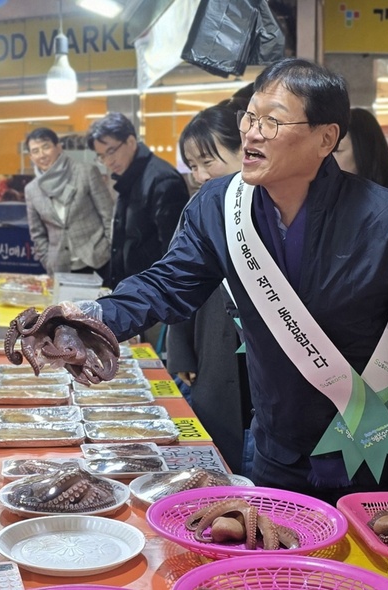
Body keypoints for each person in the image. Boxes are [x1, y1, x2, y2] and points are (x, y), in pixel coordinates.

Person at [92, 58, 388, 503]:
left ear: (326, 138)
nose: (252, 132)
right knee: (278, 563)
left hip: (371, 444)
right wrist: (96, 317)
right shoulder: (219, 205)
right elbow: (168, 283)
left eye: (273, 120)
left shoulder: (386, 220)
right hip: (276, 447)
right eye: (249, 116)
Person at [166, 102, 252, 474]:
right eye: (193, 166)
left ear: (242, 150)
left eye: (207, 162)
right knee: (221, 444)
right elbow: (174, 282)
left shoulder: (273, 205)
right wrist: (182, 352)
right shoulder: (198, 208)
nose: (200, 175)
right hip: (213, 345)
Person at [86, 113, 191, 289]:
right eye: (101, 156)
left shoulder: (162, 179)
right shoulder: (128, 177)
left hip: (152, 294)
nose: (108, 161)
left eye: (111, 151)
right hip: (133, 290)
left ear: (131, 142)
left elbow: (174, 251)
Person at [23, 128, 114, 277]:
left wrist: (109, 250)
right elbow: (37, 233)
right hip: (61, 267)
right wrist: (48, 260)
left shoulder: (86, 172)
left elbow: (108, 215)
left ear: (58, 147)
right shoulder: (32, 190)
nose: (42, 155)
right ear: (31, 157)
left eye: (46, 147)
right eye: (35, 151)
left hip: (98, 261)